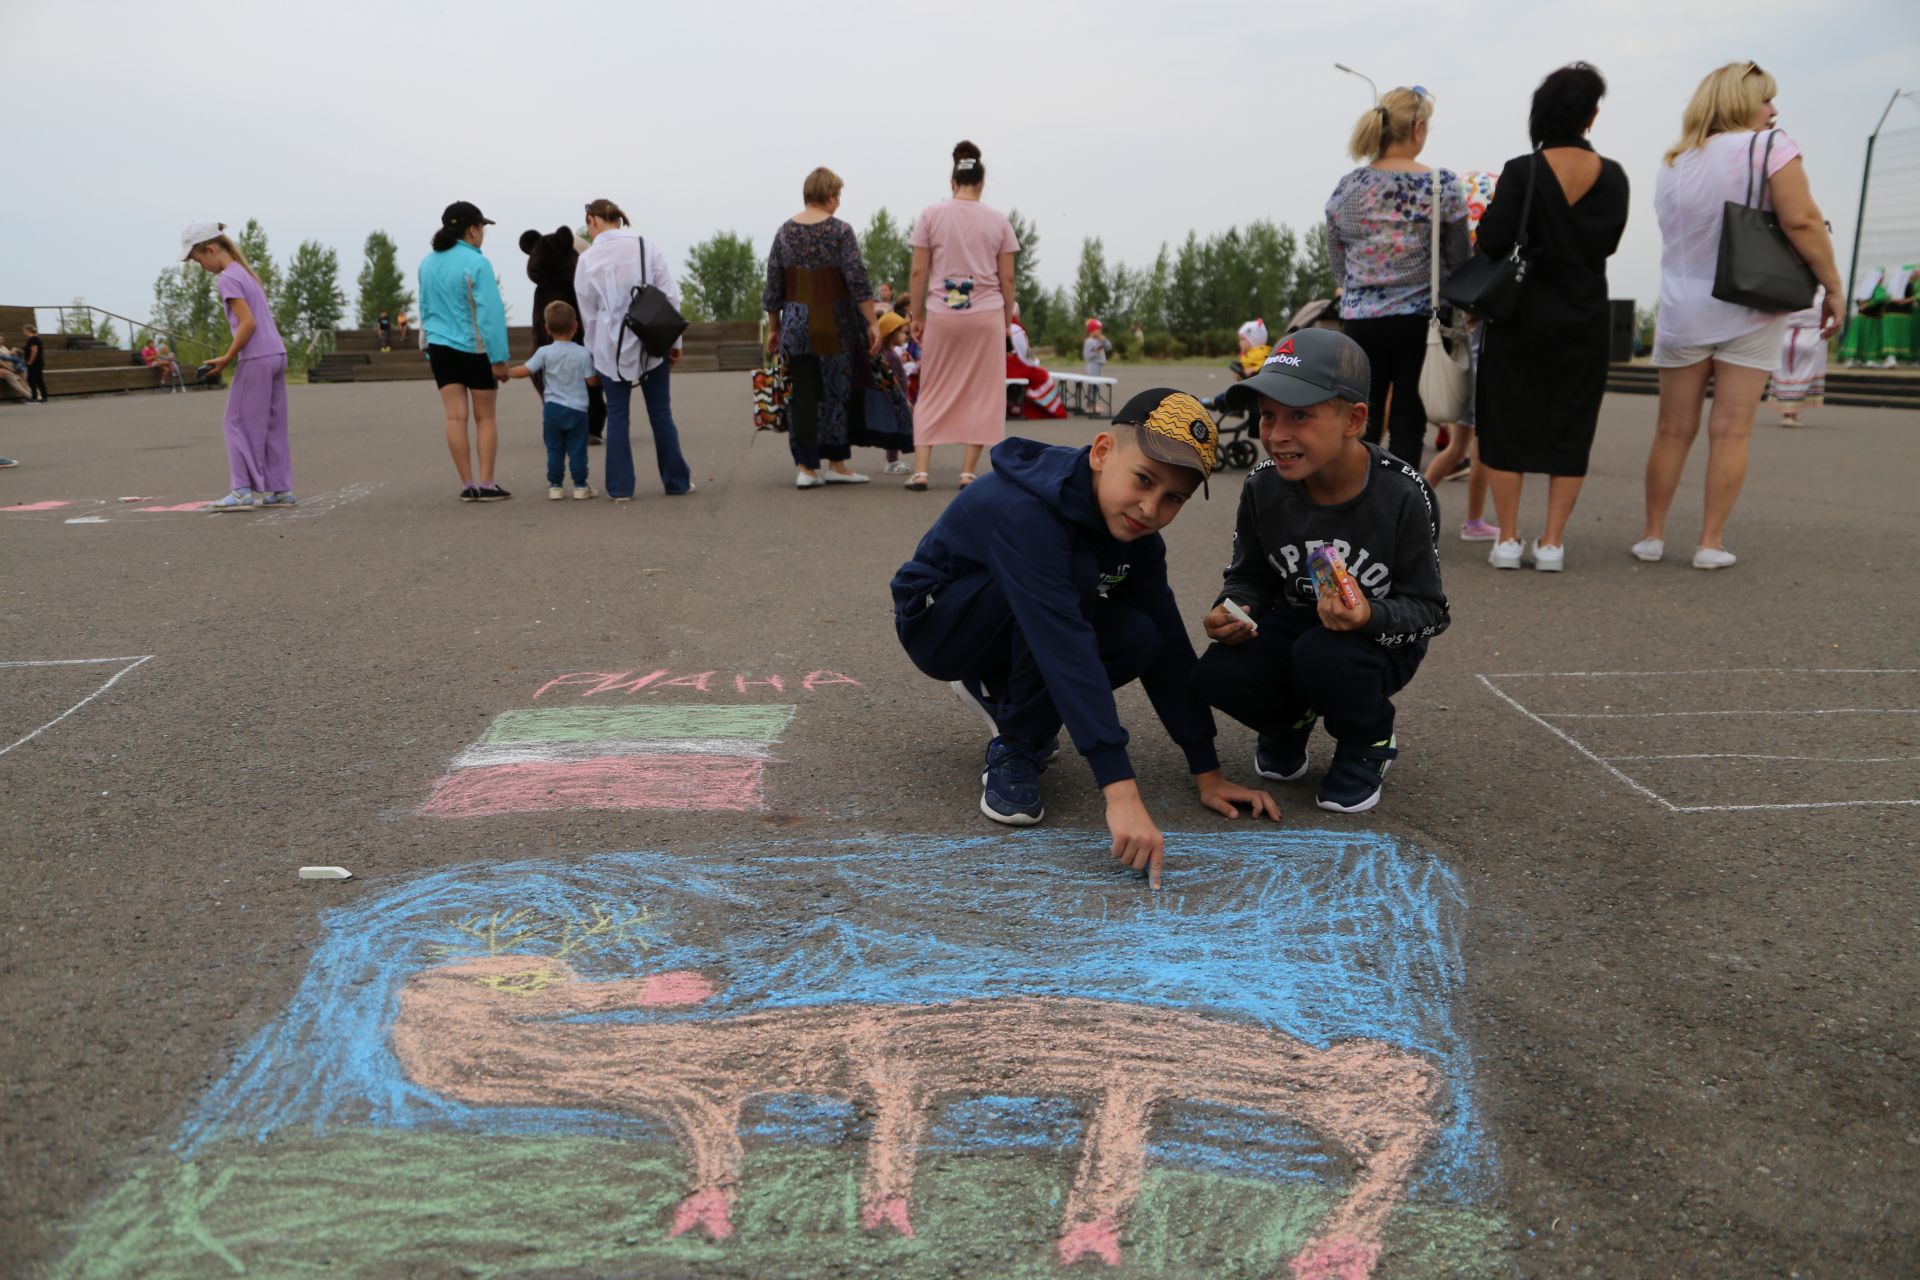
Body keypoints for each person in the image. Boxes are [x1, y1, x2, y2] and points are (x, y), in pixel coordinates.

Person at [891, 389, 1279, 887]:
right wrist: (1120, 793)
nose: (1150, 507)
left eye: (1172, 499)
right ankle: (1016, 744)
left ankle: (1001, 692)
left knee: (1141, 635)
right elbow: (1063, 644)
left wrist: (1207, 770)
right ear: (1101, 453)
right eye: (1143, 479)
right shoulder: (1027, 512)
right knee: (1070, 583)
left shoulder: (1137, 533)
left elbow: (1167, 639)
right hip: (940, 624)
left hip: (1022, 617)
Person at [1192, 328, 1449, 814]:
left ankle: (1368, 740)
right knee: (1216, 673)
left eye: (1300, 416)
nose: (1277, 434)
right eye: (1268, 416)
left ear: (1354, 419)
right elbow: (1250, 575)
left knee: (1324, 655)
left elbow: (1430, 611)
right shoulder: (1263, 488)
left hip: (1376, 643)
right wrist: (1234, 608)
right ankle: (1291, 721)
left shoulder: (1403, 494)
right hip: (1298, 627)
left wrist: (1369, 615)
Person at [1637, 62, 1844, 569]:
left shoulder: (1674, 160)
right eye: (1766, 100)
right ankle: (1709, 543)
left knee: (1671, 430)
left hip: (1683, 309)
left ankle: (1653, 535)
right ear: (1739, 102)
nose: (1774, 111)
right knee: (1731, 431)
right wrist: (1833, 286)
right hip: (1749, 306)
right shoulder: (1772, 148)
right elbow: (1801, 220)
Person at [1473, 63, 1631, 572]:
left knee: (1505, 421)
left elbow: (1493, 239)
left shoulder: (1522, 170)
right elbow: (1605, 243)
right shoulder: (1613, 176)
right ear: (1592, 115)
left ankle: (1508, 539)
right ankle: (1553, 543)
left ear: (1540, 113)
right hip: (1583, 315)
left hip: (1519, 314)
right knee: (1572, 421)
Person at [1326, 86, 1470, 466]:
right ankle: (1405, 515)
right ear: (1419, 128)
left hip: (1360, 322)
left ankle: (1354, 508)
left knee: (1361, 422)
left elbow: (1338, 257)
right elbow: (1458, 260)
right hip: (1418, 324)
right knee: (1408, 424)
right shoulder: (1441, 185)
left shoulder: (1349, 186)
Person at [906, 140, 1020, 491]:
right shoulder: (999, 220)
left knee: (932, 387)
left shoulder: (931, 215)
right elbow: (1008, 277)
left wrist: (916, 314)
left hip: (943, 311)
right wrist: (1004, 322)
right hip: (985, 312)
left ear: (952, 181)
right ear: (982, 184)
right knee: (982, 392)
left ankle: (922, 470)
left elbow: (918, 272)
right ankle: (968, 472)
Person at [763, 167, 881, 490]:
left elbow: (773, 285)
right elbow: (857, 279)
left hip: (797, 324)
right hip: (835, 324)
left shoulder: (785, 232)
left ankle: (806, 468)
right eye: (838, 196)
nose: (838, 202)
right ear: (829, 196)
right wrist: (872, 323)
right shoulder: (841, 231)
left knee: (802, 394)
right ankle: (837, 464)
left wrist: (774, 328)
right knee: (835, 392)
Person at [575, 198, 695, 502]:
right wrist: (674, 343)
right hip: (650, 341)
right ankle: (676, 482)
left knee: (616, 416)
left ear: (593, 220)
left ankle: (620, 488)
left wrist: (593, 355)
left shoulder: (587, 259)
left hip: (609, 347)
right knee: (661, 413)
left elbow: (588, 315)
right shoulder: (646, 245)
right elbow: (669, 296)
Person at [181, 220, 295, 510]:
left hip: (256, 357)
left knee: (236, 422)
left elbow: (248, 323)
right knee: (272, 425)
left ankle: (242, 490)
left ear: (209, 249)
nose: (200, 266)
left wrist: (226, 358)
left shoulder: (228, 278)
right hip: (276, 355)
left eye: (197, 260)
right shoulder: (246, 273)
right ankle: (280, 489)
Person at [418, 200, 512, 502]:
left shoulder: (427, 263)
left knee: (454, 418)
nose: (483, 233)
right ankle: (487, 483)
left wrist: (428, 347)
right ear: (472, 229)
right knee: (485, 418)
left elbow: (425, 308)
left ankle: (467, 484)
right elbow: (490, 314)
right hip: (474, 348)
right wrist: (499, 358)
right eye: (482, 227)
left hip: (440, 347)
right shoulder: (477, 263)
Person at [505, 300, 600, 501]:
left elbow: (526, 370)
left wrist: (506, 372)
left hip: (552, 409)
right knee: (577, 450)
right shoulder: (583, 353)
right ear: (576, 327)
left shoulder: (544, 352)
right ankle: (580, 485)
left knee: (555, 448)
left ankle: (555, 486)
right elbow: (591, 382)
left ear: (547, 329)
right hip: (577, 410)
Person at [1769, 288, 1828, 425]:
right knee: (1803, 375)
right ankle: (1792, 414)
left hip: (1785, 336)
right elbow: (1826, 317)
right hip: (1811, 337)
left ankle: (1787, 412)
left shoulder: (1789, 291)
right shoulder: (1821, 296)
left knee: (1783, 373)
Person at [868, 310, 916, 474]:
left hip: (893, 398)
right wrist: (905, 399)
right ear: (891, 334)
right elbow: (899, 381)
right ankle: (892, 462)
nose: (905, 337)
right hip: (897, 398)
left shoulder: (884, 354)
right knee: (896, 429)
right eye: (902, 333)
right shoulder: (892, 356)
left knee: (894, 429)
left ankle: (892, 460)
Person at [22, 324, 47, 403]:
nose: (24, 333)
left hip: (35, 363)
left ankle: (35, 397)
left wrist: (30, 361)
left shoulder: (33, 339)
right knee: (38, 379)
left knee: (31, 379)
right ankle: (43, 397)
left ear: (28, 330)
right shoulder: (34, 338)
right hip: (37, 362)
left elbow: (34, 350)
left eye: (24, 331)